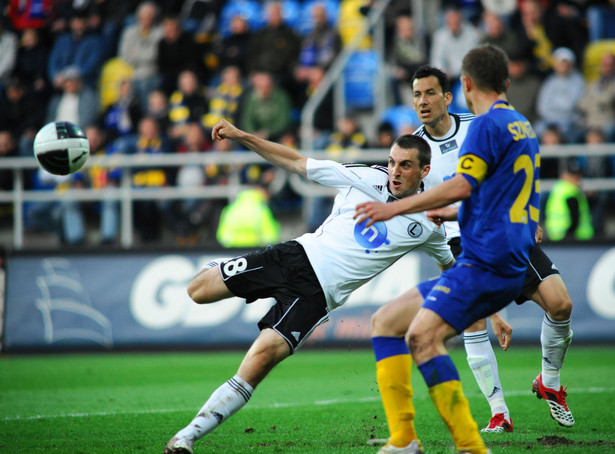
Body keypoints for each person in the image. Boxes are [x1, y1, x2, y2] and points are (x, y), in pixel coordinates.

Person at [163, 118, 455, 454]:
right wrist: (242, 136)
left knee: (259, 360)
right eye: (392, 162)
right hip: (295, 257)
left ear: (424, 170)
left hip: (317, 298)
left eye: (405, 165)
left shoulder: (430, 222)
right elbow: (294, 161)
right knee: (197, 291)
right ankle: (221, 268)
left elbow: (453, 269)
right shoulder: (363, 177)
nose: (395, 171)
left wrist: (486, 314)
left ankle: (186, 437)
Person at [354, 44, 541, 454]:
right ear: (506, 83)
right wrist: (456, 215)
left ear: (466, 85)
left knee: (421, 337)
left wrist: (394, 209)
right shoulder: (521, 125)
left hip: (488, 260)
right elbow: (502, 194)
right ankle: (404, 441)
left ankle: (472, 447)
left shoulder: (483, 127)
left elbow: (463, 184)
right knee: (387, 322)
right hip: (498, 254)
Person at [406, 64, 576, 437]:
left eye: (430, 93)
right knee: (474, 320)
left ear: (448, 97)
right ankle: (499, 412)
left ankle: (549, 380)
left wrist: (529, 214)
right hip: (461, 239)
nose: (423, 101)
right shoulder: (414, 149)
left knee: (561, 304)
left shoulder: (477, 126)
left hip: (505, 228)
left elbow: (515, 169)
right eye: (417, 94)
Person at [545, 159, 594, 241]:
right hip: (573, 238)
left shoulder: (558, 188)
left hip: (556, 235)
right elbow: (575, 218)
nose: (577, 179)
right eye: (574, 176)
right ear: (565, 175)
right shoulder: (571, 192)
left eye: (578, 176)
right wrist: (569, 236)